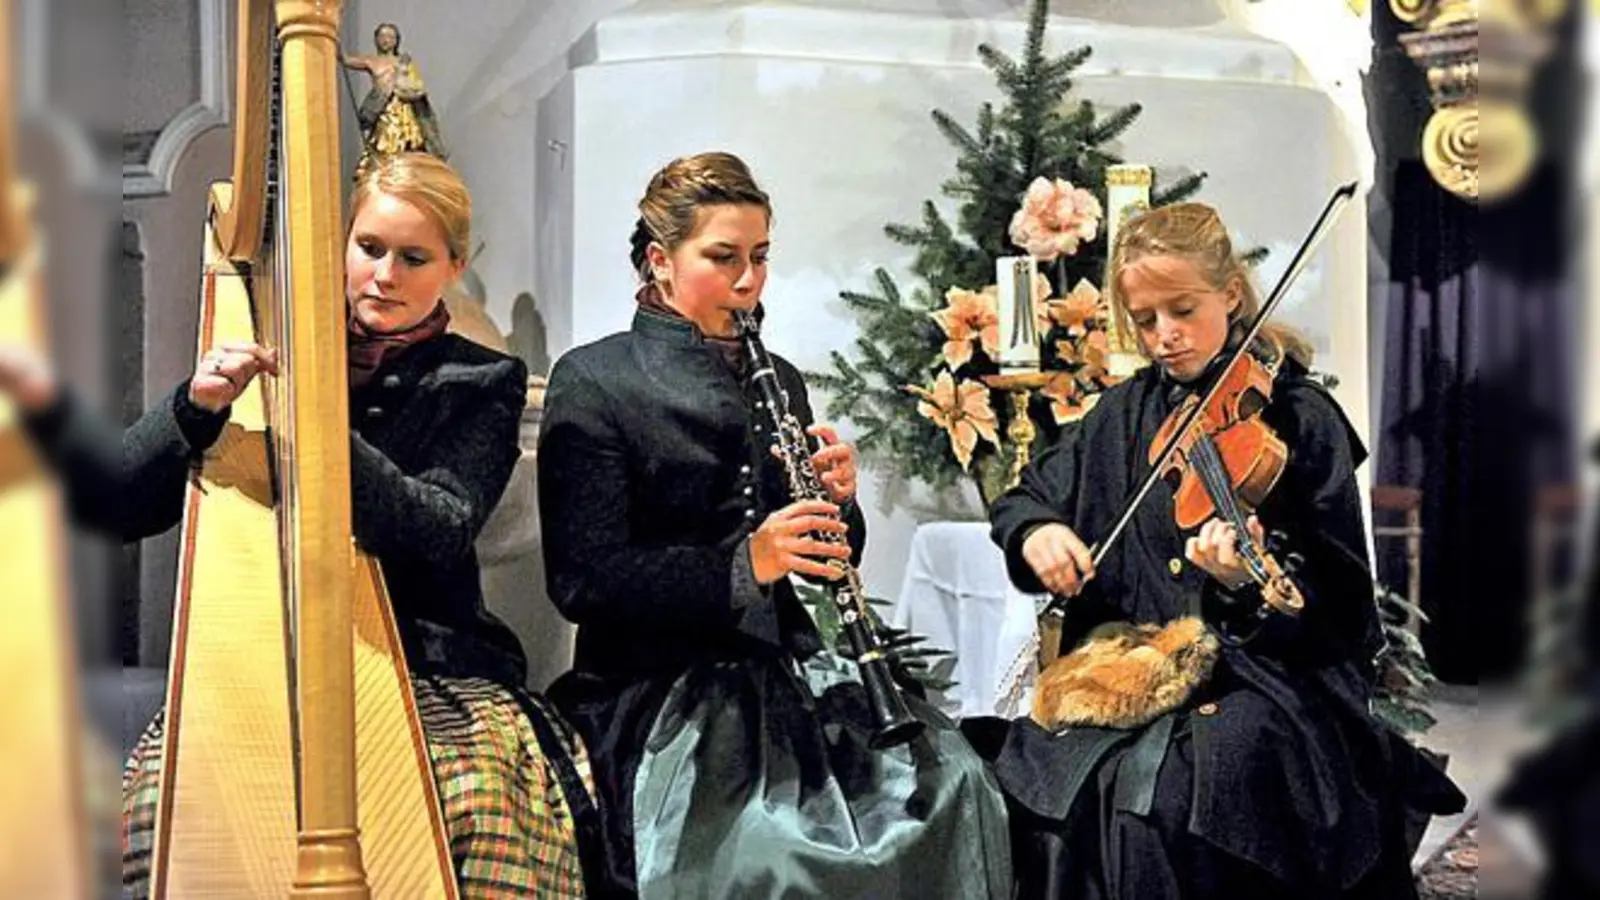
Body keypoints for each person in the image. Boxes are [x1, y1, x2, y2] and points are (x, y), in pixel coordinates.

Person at [4, 153, 596, 899]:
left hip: (428, 669)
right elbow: (116, 505)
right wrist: (195, 406)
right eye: (369, 248)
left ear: (452, 265)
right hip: (267, 663)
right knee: (163, 807)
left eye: (413, 258)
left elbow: (438, 526)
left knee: (477, 809)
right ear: (339, 245)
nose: (384, 275)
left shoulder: (480, 382)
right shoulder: (262, 335)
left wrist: (313, 414)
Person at [537, 150, 1012, 899]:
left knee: (949, 784)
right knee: (773, 848)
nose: (749, 281)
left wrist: (841, 505)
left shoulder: (779, 377)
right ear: (661, 261)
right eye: (722, 258)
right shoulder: (594, 379)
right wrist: (741, 564)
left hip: (790, 669)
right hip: (659, 685)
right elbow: (582, 578)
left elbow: (825, 560)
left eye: (760, 258)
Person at [980, 202, 1464, 899]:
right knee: (1043, 782)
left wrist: (1247, 587)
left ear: (1230, 295)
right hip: (1131, 662)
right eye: (1145, 320)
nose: (1164, 337)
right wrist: (1038, 532)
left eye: (1182, 311)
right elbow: (1025, 495)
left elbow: (1345, 614)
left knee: (1176, 798)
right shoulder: (1122, 413)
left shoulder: (1298, 418)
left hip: (1265, 679)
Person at [342, 22, 449, 181]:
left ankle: (405, 179)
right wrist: (334, 38)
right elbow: (346, 60)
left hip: (405, 112)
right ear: (376, 39)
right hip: (384, 111)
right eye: (382, 36)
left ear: (396, 40)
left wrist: (403, 82)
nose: (386, 40)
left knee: (408, 147)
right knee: (384, 145)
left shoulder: (404, 62)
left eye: (390, 36)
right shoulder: (371, 61)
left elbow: (417, 87)